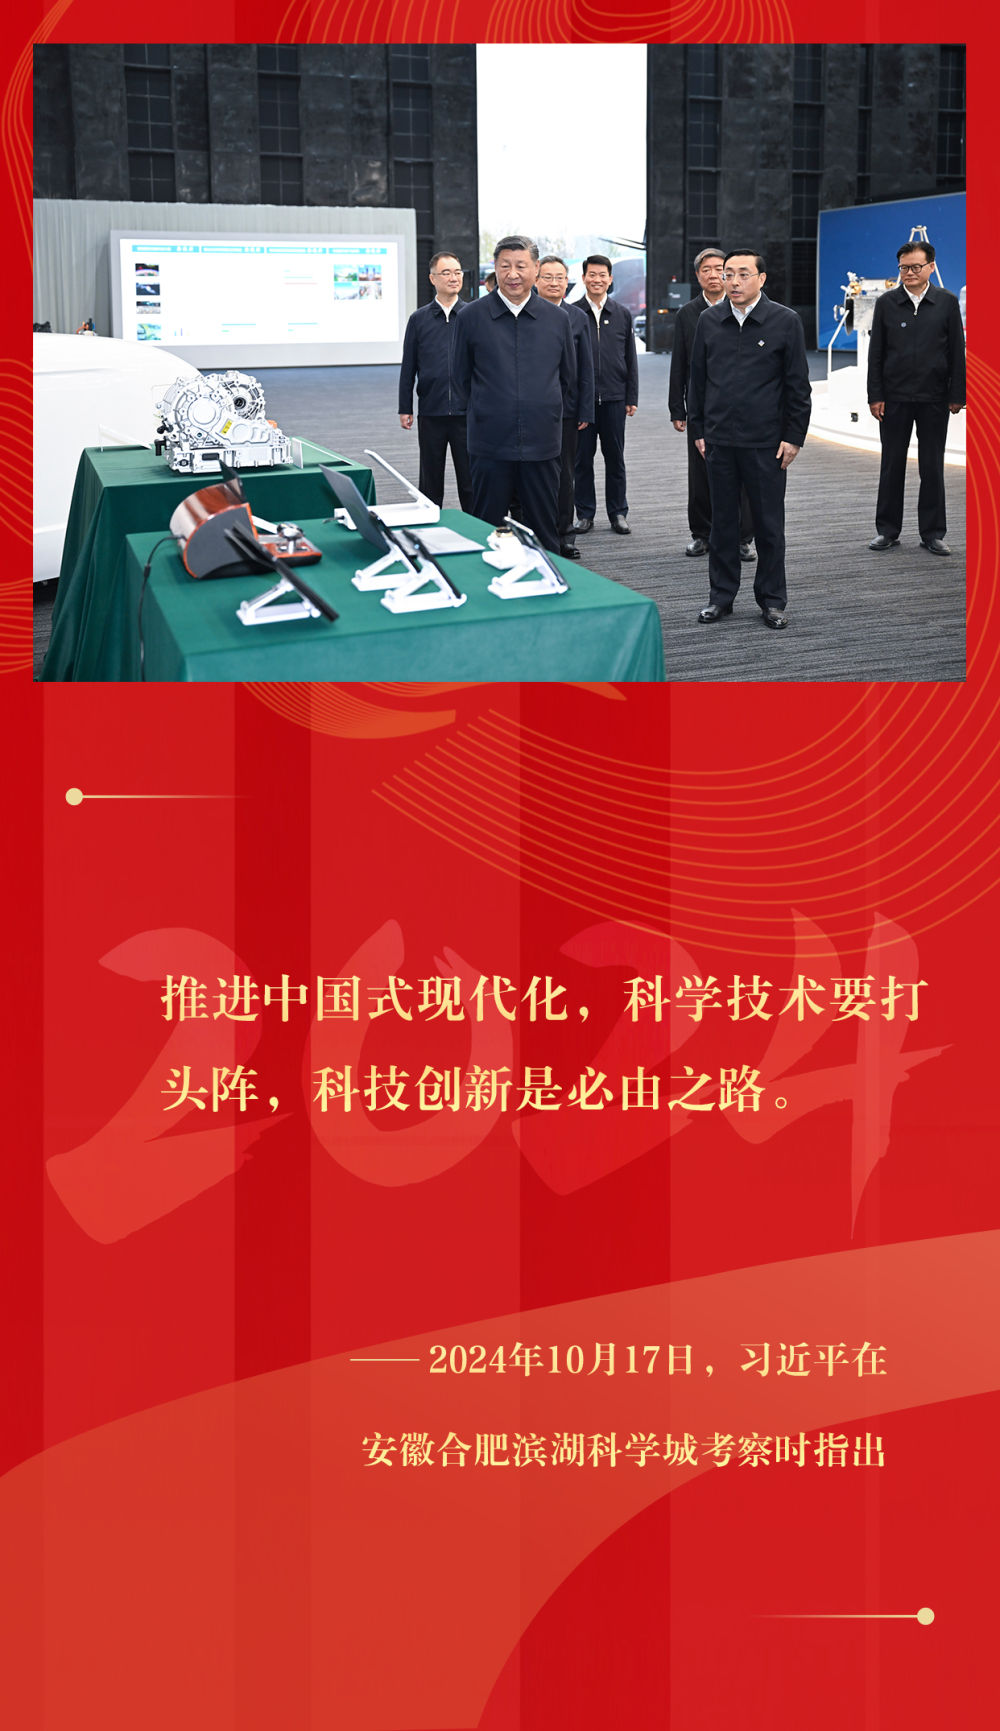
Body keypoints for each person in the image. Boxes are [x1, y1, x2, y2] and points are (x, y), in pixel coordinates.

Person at [687, 249, 811, 630]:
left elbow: (798, 387)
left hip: (766, 444)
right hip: (720, 442)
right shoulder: (709, 321)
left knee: (769, 525)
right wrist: (698, 431)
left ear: (762, 278)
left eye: (743, 274)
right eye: (729, 274)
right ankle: (720, 597)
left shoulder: (785, 321)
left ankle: (772, 600)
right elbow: (698, 381)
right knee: (723, 524)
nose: (734, 281)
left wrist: (794, 437)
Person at [453, 235, 577, 554]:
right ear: (494, 269)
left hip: (542, 443)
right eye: (505, 266)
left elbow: (567, 377)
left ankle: (547, 581)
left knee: (544, 531)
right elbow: (460, 378)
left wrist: (543, 409)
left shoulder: (557, 319)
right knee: (486, 530)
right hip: (489, 444)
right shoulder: (471, 317)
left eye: (521, 266)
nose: (513, 274)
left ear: (535, 269)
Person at [867, 240, 966, 556]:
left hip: (934, 397)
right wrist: (875, 395)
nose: (909, 273)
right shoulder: (886, 303)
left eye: (915, 267)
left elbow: (957, 351)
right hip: (894, 398)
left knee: (932, 466)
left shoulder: (947, 302)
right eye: (903, 268)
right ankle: (887, 530)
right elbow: (876, 353)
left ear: (931, 267)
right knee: (891, 465)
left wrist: (957, 394)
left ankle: (933, 533)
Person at [669, 247, 754, 561]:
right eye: (707, 269)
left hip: (742, 408)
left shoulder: (746, 310)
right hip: (701, 407)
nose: (714, 275)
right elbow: (679, 364)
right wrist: (677, 408)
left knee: (744, 475)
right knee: (700, 474)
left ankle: (742, 537)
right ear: (697, 275)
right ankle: (702, 534)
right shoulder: (688, 314)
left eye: (721, 269)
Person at [397, 251, 474, 511]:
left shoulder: (473, 316)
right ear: (432, 278)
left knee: (471, 479)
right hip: (431, 411)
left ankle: (476, 525)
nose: (454, 278)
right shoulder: (419, 319)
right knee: (430, 480)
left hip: (468, 413)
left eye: (457, 272)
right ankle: (429, 524)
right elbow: (409, 366)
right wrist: (405, 407)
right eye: (446, 273)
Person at [573, 254, 638, 536]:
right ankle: (584, 514)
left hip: (614, 398)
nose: (597, 280)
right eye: (592, 274)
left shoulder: (621, 313)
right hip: (583, 403)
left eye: (603, 275)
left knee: (615, 458)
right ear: (584, 278)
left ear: (610, 279)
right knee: (581, 460)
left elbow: (630, 357)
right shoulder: (573, 313)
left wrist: (631, 396)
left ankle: (618, 512)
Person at [536, 255, 595, 558]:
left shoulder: (577, 317)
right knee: (534, 476)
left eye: (560, 277)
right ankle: (535, 534)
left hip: (567, 412)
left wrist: (585, 410)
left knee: (564, 475)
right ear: (536, 280)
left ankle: (564, 535)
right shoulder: (528, 314)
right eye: (548, 277)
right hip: (533, 410)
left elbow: (586, 368)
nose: (554, 282)